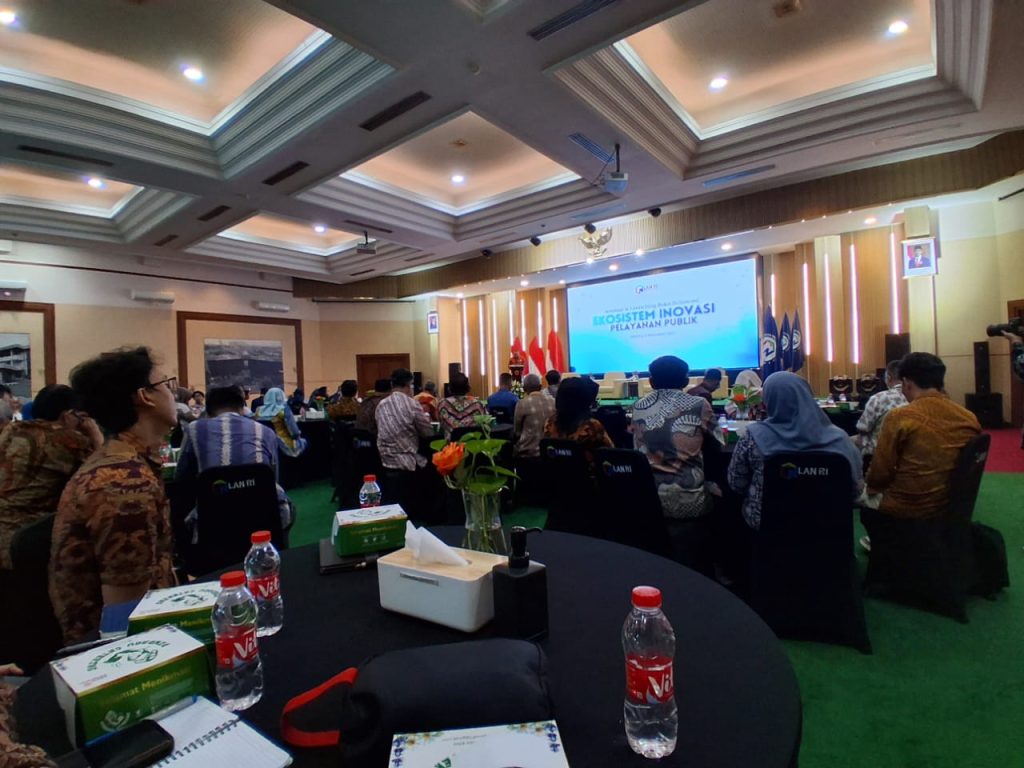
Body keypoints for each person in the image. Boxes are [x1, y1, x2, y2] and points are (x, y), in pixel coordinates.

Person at [49, 347, 179, 643]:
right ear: (145, 396)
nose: (173, 394)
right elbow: (125, 618)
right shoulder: (124, 483)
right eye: (166, 384)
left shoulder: (123, 461)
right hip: (112, 648)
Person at [728, 371, 862, 530]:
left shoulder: (752, 438)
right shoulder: (840, 439)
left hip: (769, 527)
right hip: (829, 529)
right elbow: (855, 490)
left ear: (767, 400)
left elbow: (736, 484)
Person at [864, 353, 981, 524]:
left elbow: (879, 475)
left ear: (906, 383)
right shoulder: (969, 417)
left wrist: (869, 487)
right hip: (951, 506)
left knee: (858, 495)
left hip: (908, 509)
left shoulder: (899, 417)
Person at [0, 385, 103, 573]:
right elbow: (105, 476)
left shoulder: (12, 430)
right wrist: (95, 436)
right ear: (68, 415)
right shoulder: (67, 440)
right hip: (22, 542)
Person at [176, 386, 294, 542]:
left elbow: (181, 476)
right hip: (264, 516)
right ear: (242, 408)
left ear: (208, 411)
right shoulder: (266, 432)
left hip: (213, 522)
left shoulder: (194, 430)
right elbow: (272, 477)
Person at [633, 356, 722, 523]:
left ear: (651, 382)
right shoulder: (699, 404)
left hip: (648, 500)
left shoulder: (639, 406)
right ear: (686, 381)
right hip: (691, 501)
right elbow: (718, 442)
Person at [375, 368, 436, 521]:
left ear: (392, 384)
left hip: (385, 460)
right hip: (407, 461)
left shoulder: (381, 405)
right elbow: (428, 432)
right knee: (434, 464)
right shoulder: (412, 404)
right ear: (409, 385)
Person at [543, 376, 612, 468]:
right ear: (583, 399)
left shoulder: (550, 423)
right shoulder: (591, 426)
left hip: (555, 474)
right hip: (586, 475)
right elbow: (612, 456)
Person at [855, 360, 908, 471]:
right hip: (906, 455)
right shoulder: (915, 397)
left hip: (877, 456)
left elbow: (862, 427)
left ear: (888, 377)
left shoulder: (878, 398)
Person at [256, 387, 308, 457]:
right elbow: (295, 433)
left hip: (264, 445)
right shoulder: (284, 410)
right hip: (284, 447)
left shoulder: (258, 411)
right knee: (305, 442)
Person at [514, 373, 556, 458]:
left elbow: (517, 432)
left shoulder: (522, 404)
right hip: (550, 452)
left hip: (528, 454)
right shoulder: (553, 401)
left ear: (524, 389)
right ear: (540, 387)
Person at [437, 373, 487, 438]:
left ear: (449, 388)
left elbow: (440, 423)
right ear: (468, 387)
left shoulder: (442, 404)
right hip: (473, 443)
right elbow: (484, 424)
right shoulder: (477, 405)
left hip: (451, 443)